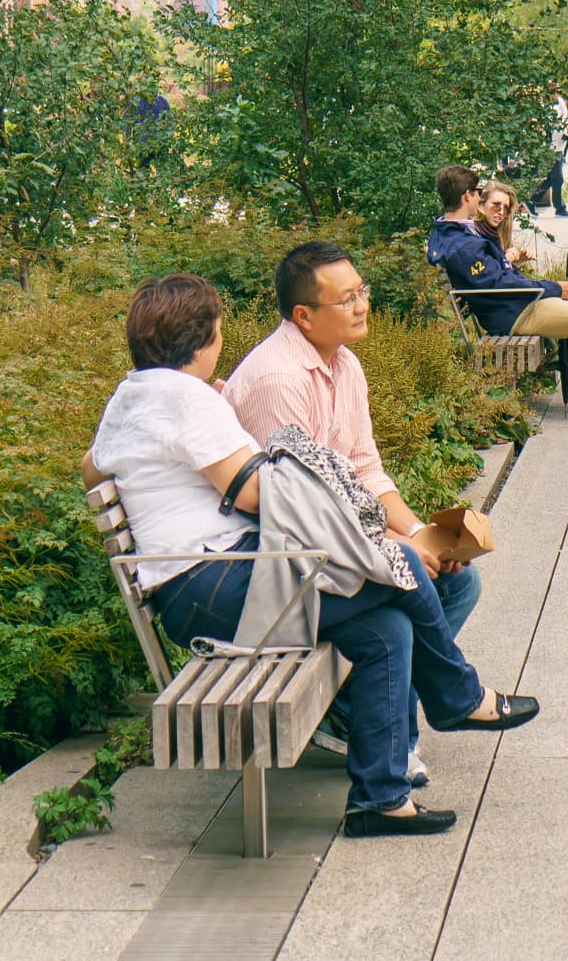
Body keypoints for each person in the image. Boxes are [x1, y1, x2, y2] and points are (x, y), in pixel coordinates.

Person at [84, 273, 537, 839]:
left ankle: (381, 800)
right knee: (404, 572)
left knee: (387, 629)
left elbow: (93, 466)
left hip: (204, 583)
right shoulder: (185, 398)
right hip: (218, 581)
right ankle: (458, 698)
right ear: (202, 339)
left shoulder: (134, 394)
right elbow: (255, 494)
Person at [221, 241, 483, 791]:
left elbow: (365, 469)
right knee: (406, 594)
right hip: (286, 562)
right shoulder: (279, 381)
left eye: (362, 291)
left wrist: (418, 533)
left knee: (459, 580)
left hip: (334, 540)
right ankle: (396, 727)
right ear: (304, 315)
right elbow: (301, 510)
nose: (363, 304)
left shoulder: (344, 364)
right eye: (347, 299)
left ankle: (375, 719)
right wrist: (394, 551)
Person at [427, 167, 568, 423]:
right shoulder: (462, 243)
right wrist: (552, 288)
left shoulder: (456, 232)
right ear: (467, 196)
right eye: (477, 193)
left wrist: (518, 269)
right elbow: (497, 284)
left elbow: (494, 276)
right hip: (511, 313)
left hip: (514, 304)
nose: (478, 197)